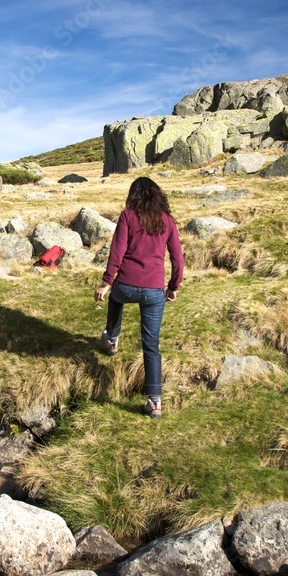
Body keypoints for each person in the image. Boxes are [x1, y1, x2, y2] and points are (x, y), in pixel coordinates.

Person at [94, 176, 184, 419]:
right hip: (155, 291)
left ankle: (112, 338)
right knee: (151, 345)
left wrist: (107, 282)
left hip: (124, 285)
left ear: (134, 194)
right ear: (157, 195)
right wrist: (173, 287)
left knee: (115, 299)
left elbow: (118, 250)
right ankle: (155, 402)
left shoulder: (128, 216)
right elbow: (178, 259)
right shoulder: (167, 221)